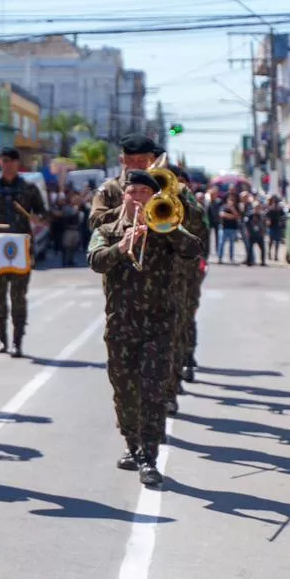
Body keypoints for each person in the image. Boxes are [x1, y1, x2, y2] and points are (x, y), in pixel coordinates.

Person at [88, 171, 204, 487]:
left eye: (143, 192)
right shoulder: (107, 229)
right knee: (124, 390)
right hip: (121, 326)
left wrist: (167, 229)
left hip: (158, 324)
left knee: (153, 391)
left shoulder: (166, 227)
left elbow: (194, 248)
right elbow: (96, 260)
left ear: (154, 198)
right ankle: (132, 444)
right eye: (132, 191)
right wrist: (121, 247)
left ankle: (148, 457)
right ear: (123, 196)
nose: (136, 197)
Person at [0, 147, 47, 356]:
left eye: (12, 161)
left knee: (19, 297)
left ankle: (17, 341)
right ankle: (2, 339)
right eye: (5, 160)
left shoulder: (29, 188)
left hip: (21, 248)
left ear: (17, 163)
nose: (8, 164)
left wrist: (37, 218)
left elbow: (43, 212)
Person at [167, 165, 209, 407]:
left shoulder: (191, 203)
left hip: (188, 272)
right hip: (162, 276)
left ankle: (186, 358)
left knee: (185, 318)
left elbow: (201, 230)